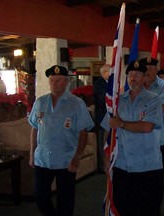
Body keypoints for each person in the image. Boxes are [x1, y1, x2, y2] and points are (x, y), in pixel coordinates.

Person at [28, 65, 94, 216]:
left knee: (65, 201)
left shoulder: (76, 103)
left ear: (66, 82)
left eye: (58, 80)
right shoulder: (40, 102)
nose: (53, 83)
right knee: (40, 196)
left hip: (66, 159)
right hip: (43, 159)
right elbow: (34, 127)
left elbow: (83, 132)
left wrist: (77, 156)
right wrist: (32, 153)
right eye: (51, 80)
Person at [101, 60, 163, 216]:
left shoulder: (153, 99)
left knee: (148, 208)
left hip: (147, 165)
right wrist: (106, 155)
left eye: (137, 75)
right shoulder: (118, 101)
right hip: (122, 165)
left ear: (144, 77)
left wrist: (121, 123)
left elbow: (147, 127)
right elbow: (108, 130)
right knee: (123, 207)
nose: (133, 78)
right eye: (130, 75)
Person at [93, 64, 111, 172]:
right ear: (104, 73)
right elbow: (102, 99)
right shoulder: (99, 84)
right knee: (101, 141)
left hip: (110, 117)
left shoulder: (110, 83)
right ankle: (101, 165)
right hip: (102, 116)